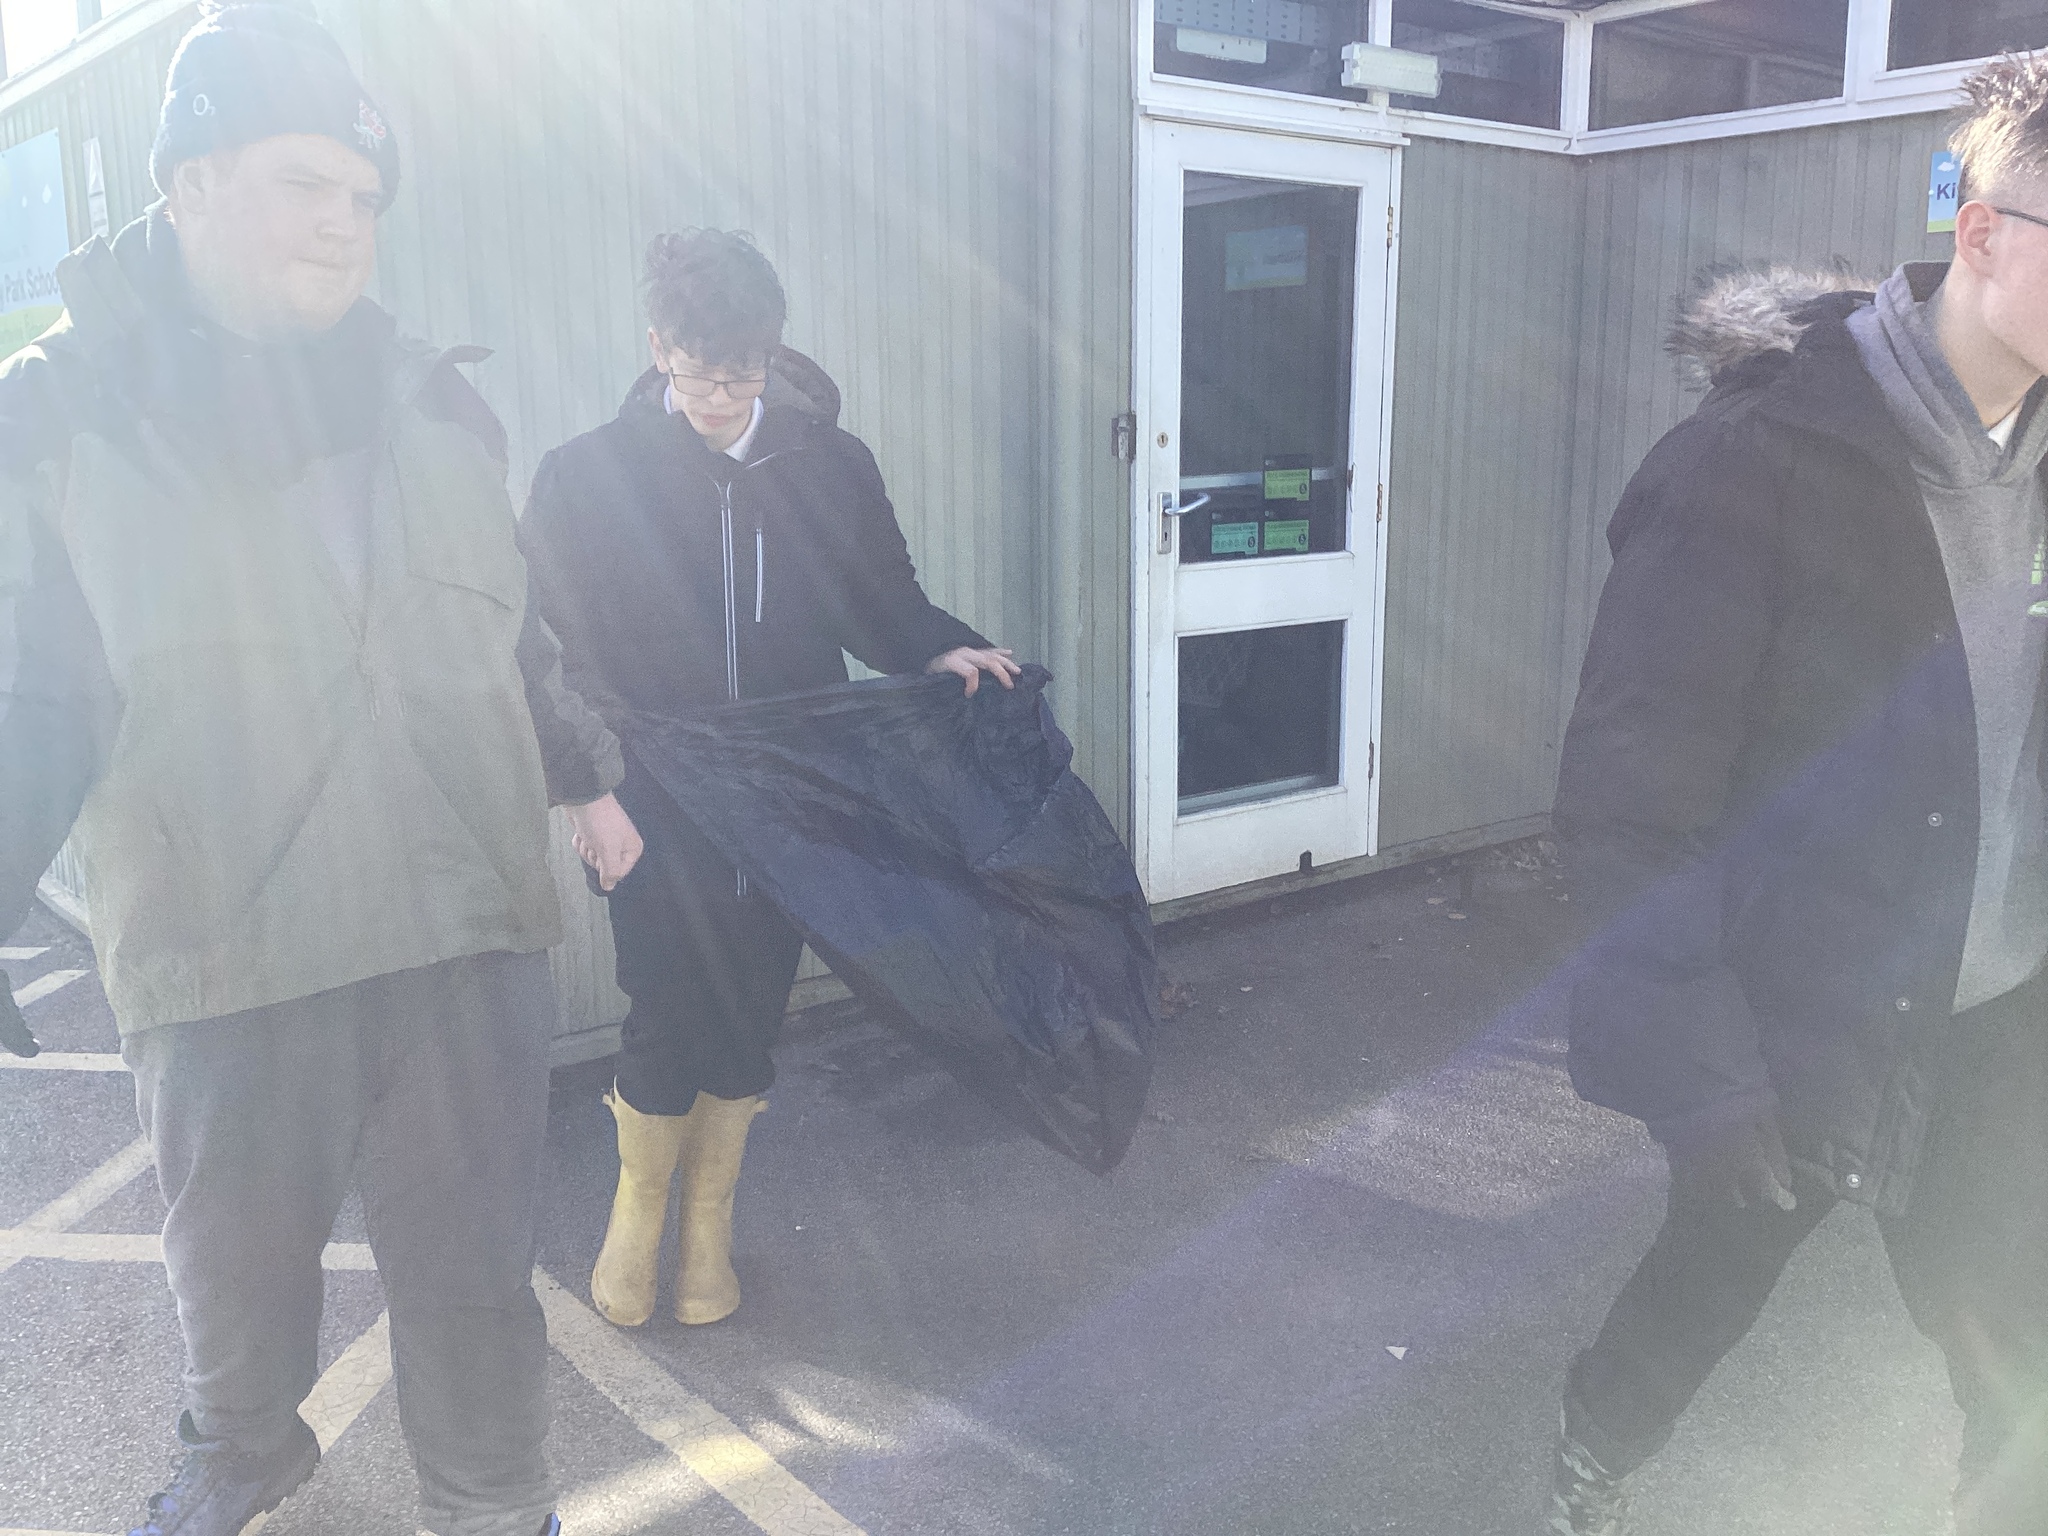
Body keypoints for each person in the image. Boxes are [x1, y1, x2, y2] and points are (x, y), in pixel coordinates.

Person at [0, 4, 643, 1532]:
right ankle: (243, 1447)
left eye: (363, 195)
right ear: (191, 184)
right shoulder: (58, 413)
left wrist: (586, 777)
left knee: (477, 1277)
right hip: (228, 941)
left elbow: (513, 625)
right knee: (234, 1266)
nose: (344, 220)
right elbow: (28, 690)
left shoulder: (442, 403)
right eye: (303, 181)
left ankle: (493, 1502)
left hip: (462, 924)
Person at [1547, 57, 2048, 1536]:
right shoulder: (1748, 465)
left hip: (1996, 1016)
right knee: (1714, 1274)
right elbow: (1631, 806)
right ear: (1980, 233)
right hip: (1795, 1016)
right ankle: (1591, 1457)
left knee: (2010, 1334)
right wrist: (1699, 1076)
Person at [519, 228, 1017, 1331]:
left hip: (793, 791)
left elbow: (880, 598)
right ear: (657, 346)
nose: (718, 397)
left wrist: (942, 647)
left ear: (773, 351)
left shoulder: (830, 465)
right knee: (664, 997)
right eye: (698, 371)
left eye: (741, 373)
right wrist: (586, 793)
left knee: (752, 1001)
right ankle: (636, 1219)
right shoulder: (583, 476)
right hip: (650, 792)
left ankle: (707, 1229)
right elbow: (550, 650)